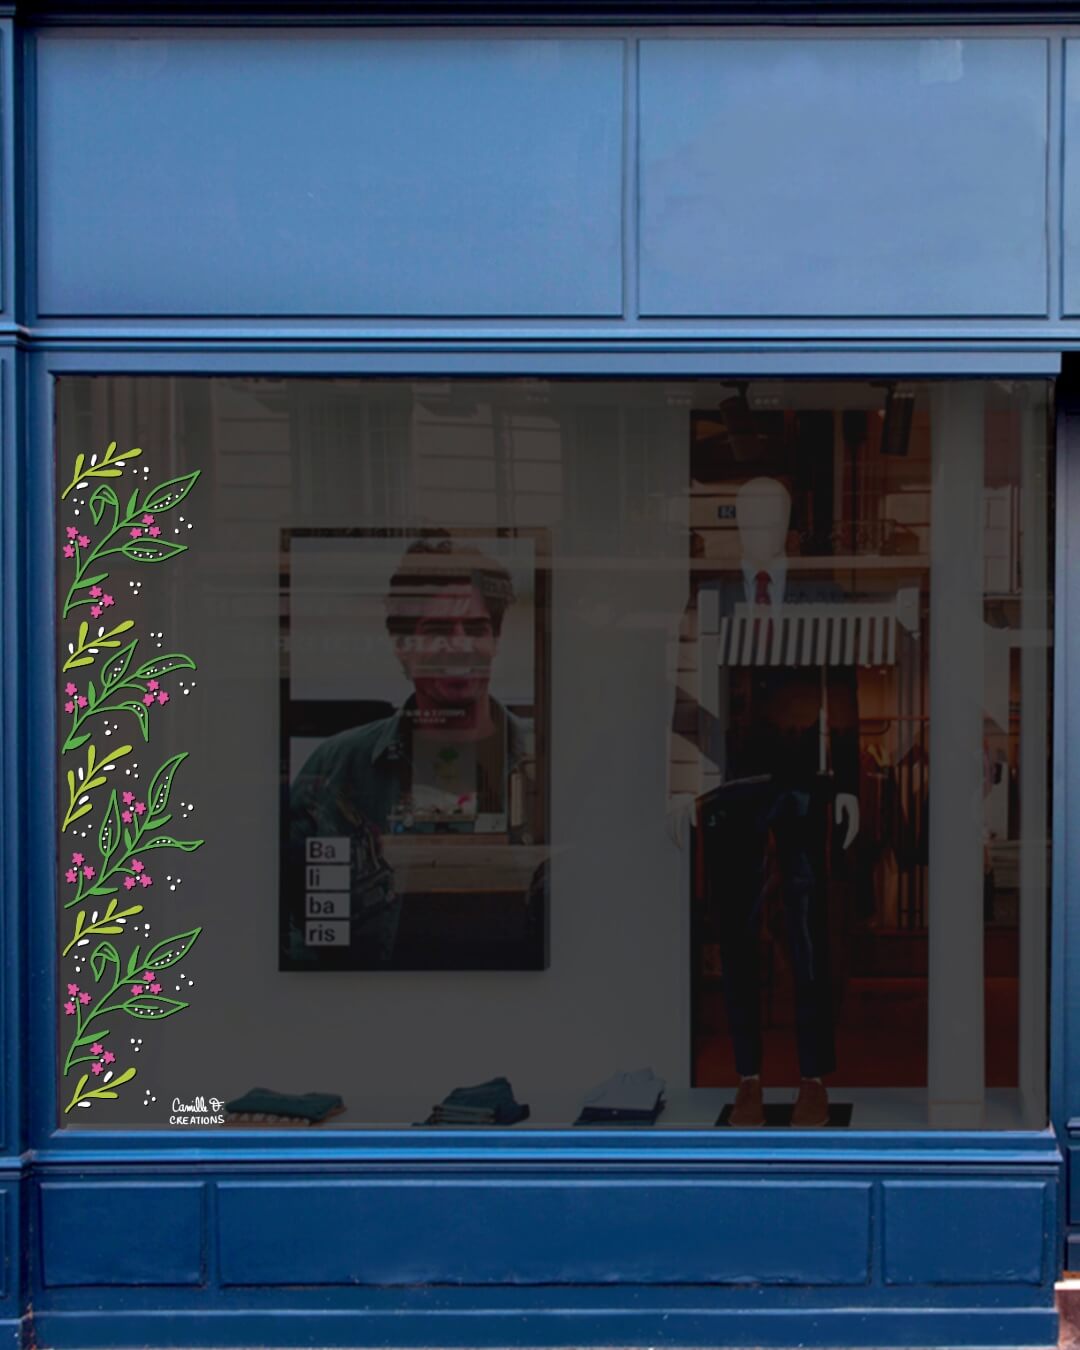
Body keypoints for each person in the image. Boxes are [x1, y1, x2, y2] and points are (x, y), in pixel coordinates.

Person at [285, 534, 534, 966]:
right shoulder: (336, 770)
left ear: (495, 640)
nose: (459, 645)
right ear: (402, 646)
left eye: (476, 629)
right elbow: (293, 928)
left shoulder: (546, 763)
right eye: (437, 631)